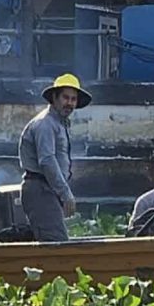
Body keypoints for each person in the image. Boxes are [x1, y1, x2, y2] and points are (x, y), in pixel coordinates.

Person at [18, 73, 91, 241]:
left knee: (53, 241)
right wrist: (66, 193)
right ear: (54, 97)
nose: (70, 103)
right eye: (66, 97)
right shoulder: (45, 124)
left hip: (48, 190)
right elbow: (47, 161)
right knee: (56, 244)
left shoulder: (57, 124)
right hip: (40, 189)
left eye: (73, 99)